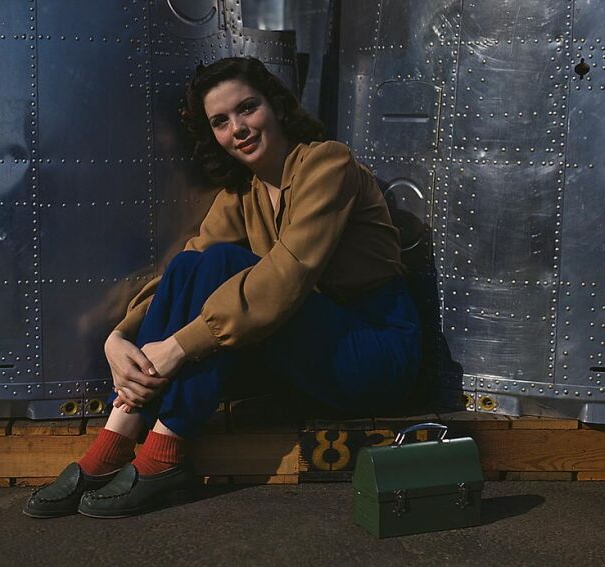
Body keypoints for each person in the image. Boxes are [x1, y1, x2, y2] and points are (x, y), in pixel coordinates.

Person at [23, 57, 421, 519]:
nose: (239, 128)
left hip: (375, 352)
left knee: (224, 264)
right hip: (309, 356)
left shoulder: (328, 164)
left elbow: (285, 279)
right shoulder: (242, 195)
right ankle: (118, 436)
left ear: (275, 106)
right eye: (221, 121)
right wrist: (120, 337)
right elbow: (182, 270)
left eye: (247, 108)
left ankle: (160, 456)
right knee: (195, 263)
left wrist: (176, 348)